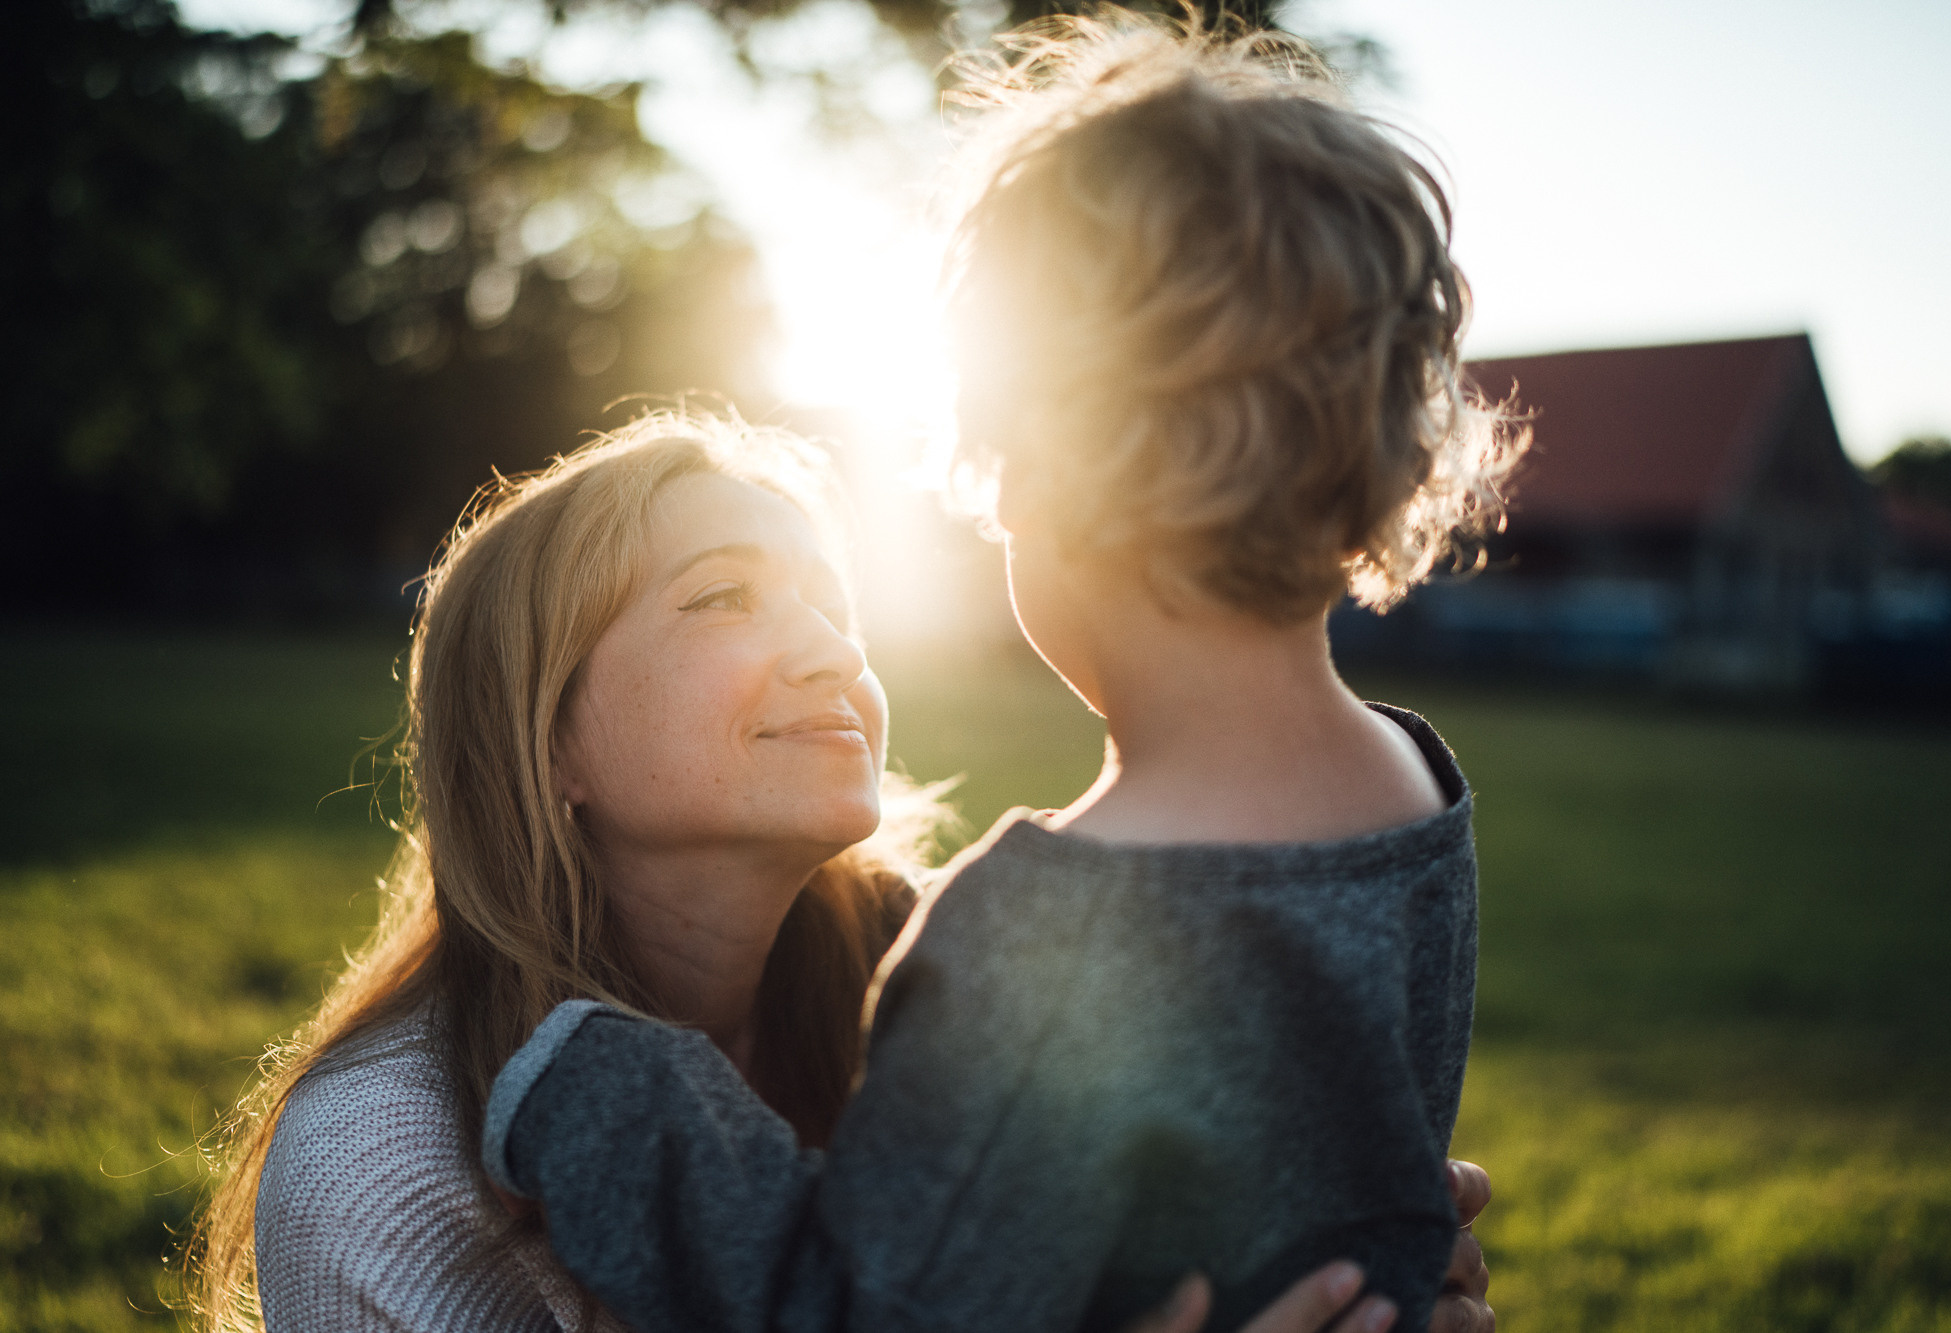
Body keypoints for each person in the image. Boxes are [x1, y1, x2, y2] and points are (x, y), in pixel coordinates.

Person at [482, 13, 1520, 1333]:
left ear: (1033, 471)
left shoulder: (1040, 940)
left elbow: (850, 1310)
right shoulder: (1419, 792)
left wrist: (607, 1094)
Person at [185, 413, 1493, 1333]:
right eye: (723, 598)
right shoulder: (379, 1161)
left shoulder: (996, 1013)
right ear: (547, 737)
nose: (831, 653)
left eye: (834, 606)